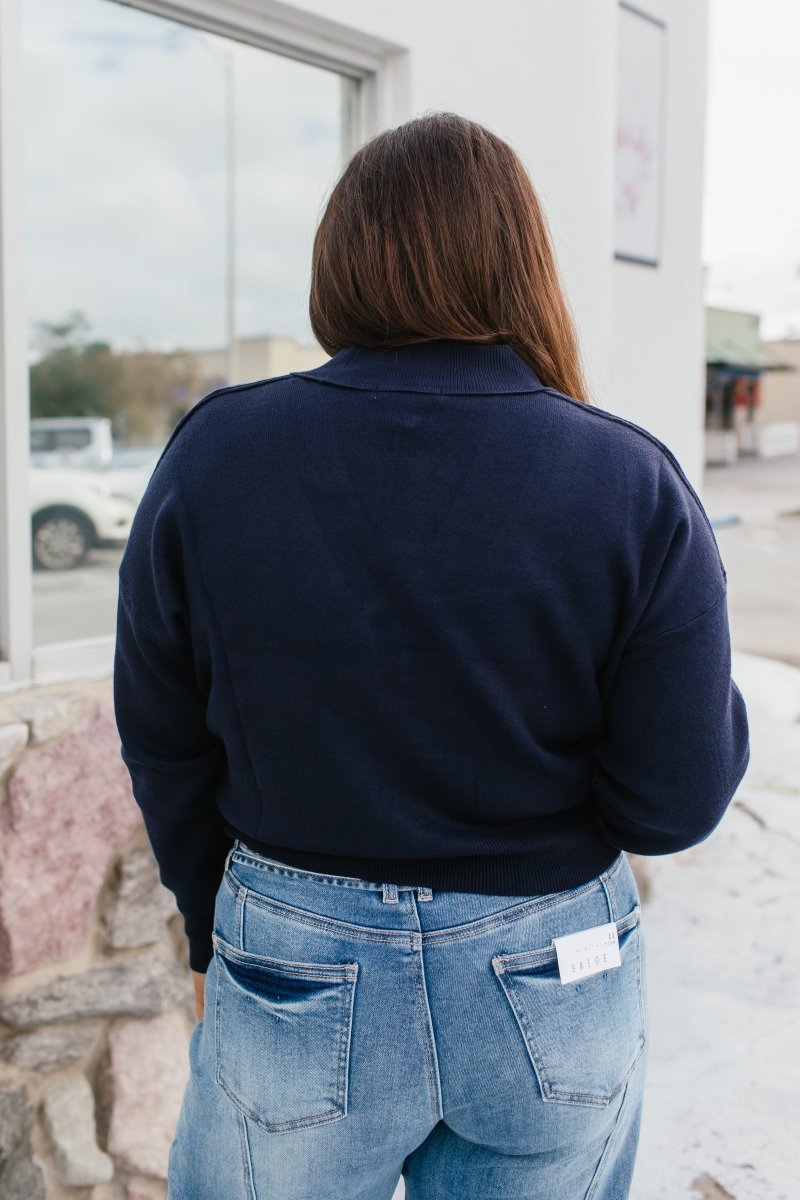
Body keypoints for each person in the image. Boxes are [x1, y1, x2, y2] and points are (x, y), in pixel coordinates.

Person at [113, 110, 750, 1200]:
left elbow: (162, 735)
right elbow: (670, 803)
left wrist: (209, 925)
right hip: (554, 974)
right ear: (521, 262)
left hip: (293, 965)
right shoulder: (626, 482)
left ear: (342, 260)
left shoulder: (217, 455)